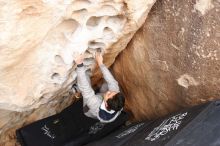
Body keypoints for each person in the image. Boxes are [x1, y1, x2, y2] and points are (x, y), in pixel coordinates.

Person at [74, 52, 125, 123]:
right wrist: (100, 63)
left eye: (109, 94)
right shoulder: (116, 100)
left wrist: (79, 64)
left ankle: (76, 90)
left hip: (89, 109)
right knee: (110, 80)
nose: (109, 91)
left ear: (106, 104)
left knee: (85, 75)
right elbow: (111, 82)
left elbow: (86, 89)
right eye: (113, 92)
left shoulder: (94, 103)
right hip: (101, 98)